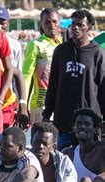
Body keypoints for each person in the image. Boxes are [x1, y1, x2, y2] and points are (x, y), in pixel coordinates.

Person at [43, 9, 105, 150]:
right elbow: (53, 84)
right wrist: (47, 113)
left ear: (89, 28)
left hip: (89, 124)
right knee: (63, 163)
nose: (75, 28)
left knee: (89, 165)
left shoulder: (98, 54)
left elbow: (103, 88)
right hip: (63, 122)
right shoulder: (61, 51)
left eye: (80, 25)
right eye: (73, 24)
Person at [0, 6, 29, 129]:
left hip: (7, 99)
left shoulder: (15, 45)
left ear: (8, 24)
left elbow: (17, 74)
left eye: (3, 24)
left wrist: (21, 103)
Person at [22, 8, 62, 125]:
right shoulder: (35, 45)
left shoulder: (64, 45)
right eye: (47, 22)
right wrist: (23, 104)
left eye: (54, 21)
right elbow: (26, 76)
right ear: (42, 25)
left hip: (61, 105)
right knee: (41, 141)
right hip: (40, 105)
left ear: (59, 22)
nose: (51, 25)